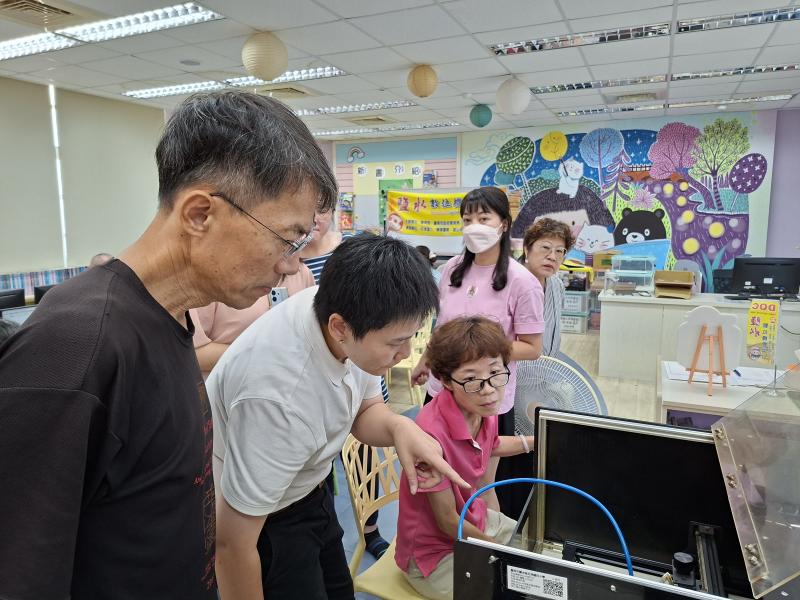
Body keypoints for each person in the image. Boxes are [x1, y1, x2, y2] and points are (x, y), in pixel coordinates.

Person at [0, 90, 336, 600]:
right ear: (200, 214)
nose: (291, 265)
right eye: (286, 239)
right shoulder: (76, 345)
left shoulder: (168, 321)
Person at [209, 234, 469, 600]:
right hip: (266, 516)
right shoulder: (278, 396)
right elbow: (233, 545)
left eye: (412, 337)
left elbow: (364, 410)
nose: (406, 353)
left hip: (311, 489)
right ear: (340, 328)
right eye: (396, 342)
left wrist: (398, 427)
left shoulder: (345, 317)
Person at [411, 186, 544, 515]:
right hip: (442, 390)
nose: (474, 226)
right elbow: (442, 328)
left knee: (481, 484)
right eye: (467, 219)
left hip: (487, 398)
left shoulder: (521, 281)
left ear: (503, 224)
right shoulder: (451, 270)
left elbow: (532, 347)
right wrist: (427, 359)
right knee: (437, 476)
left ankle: (487, 547)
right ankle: (443, 538)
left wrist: (473, 357)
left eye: (483, 218)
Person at [396, 316, 535, 600]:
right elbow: (448, 521)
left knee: (537, 548)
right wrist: (499, 553)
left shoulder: (482, 409)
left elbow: (492, 444)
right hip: (431, 554)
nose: (488, 390)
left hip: (474, 520)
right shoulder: (429, 435)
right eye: (471, 379)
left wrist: (536, 441)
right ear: (446, 380)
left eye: (496, 373)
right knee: (510, 585)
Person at [302, 206, 391, 558]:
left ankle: (371, 530)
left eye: (321, 209)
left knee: (366, 459)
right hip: (317, 383)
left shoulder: (354, 249)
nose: (314, 218)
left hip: (362, 375)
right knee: (322, 465)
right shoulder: (288, 263)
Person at [191, 262, 315, 377]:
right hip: (229, 390)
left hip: (288, 389)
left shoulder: (303, 274)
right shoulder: (212, 276)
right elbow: (195, 353)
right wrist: (265, 354)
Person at [522, 218, 575, 357]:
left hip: (547, 370)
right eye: (546, 248)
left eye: (559, 251)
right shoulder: (509, 283)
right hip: (512, 373)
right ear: (527, 249)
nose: (552, 257)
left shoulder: (557, 285)